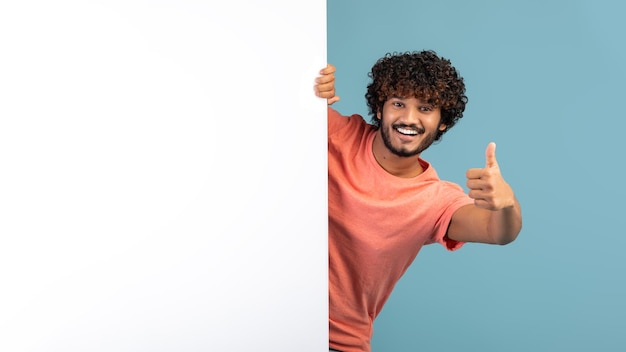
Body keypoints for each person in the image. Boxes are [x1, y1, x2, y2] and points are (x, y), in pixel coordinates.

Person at [314, 50, 522, 352]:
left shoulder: (434, 200)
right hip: (263, 315)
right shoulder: (337, 134)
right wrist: (311, 89)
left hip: (338, 342)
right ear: (380, 108)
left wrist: (506, 204)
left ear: (442, 123)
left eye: (425, 108)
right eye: (398, 103)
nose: (408, 119)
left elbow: (498, 232)